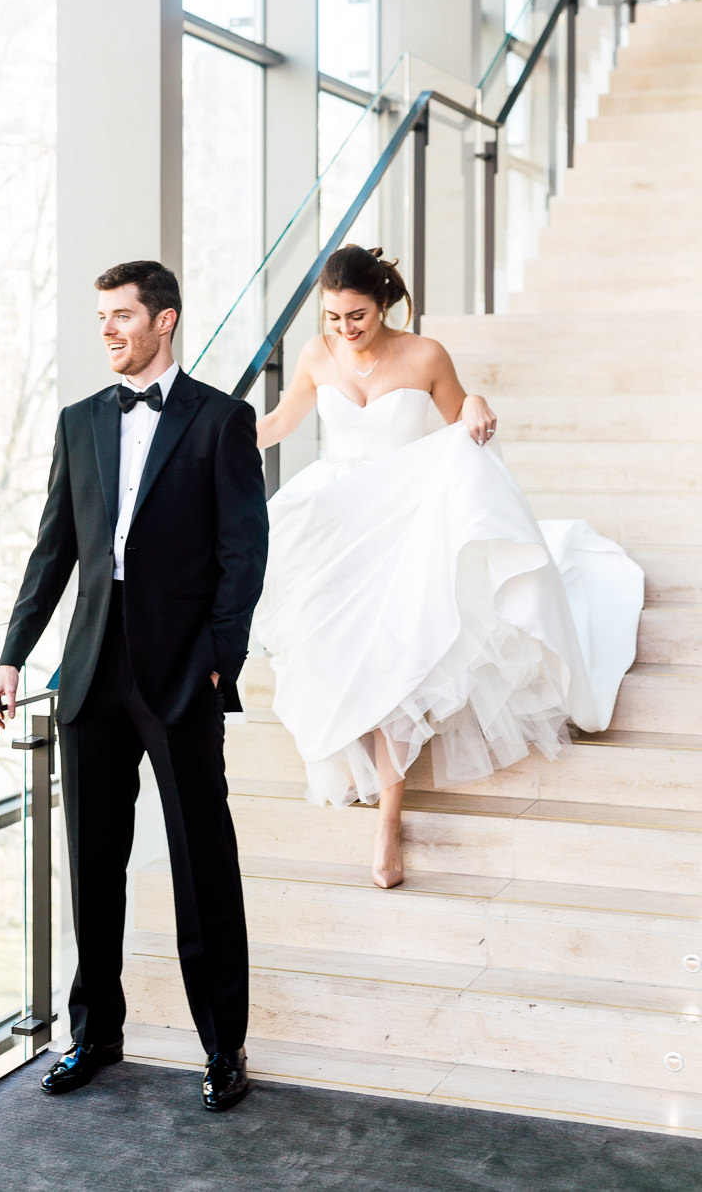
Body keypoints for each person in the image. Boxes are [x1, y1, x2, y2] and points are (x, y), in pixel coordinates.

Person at [253, 244, 643, 889]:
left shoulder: (425, 354)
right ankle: (360, 756)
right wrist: (212, 435)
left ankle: (389, 820)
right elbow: (279, 423)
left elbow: (458, 409)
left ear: (384, 304)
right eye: (332, 317)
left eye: (357, 316)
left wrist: (479, 401)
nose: (345, 330)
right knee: (330, 642)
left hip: (409, 511)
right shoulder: (317, 355)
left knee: (399, 654)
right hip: (335, 515)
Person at [0, 260, 268, 1112]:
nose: (106, 330)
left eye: (120, 316)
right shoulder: (78, 423)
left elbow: (242, 553)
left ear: (164, 321)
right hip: (91, 674)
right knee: (92, 865)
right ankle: (94, 1035)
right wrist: (12, 655)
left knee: (200, 861)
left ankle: (224, 1048)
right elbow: (52, 549)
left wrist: (221, 656)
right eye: (99, 316)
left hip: (180, 674)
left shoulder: (222, 421)